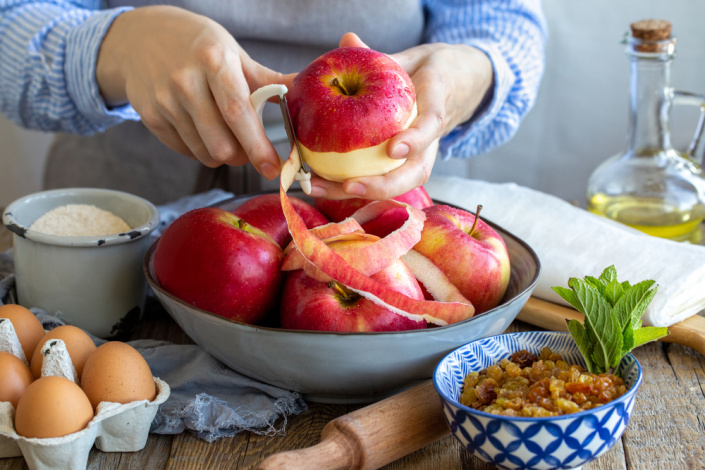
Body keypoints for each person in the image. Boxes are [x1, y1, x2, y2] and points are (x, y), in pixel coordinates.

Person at [0, 1, 547, 204]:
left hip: (380, 211)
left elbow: (502, 24)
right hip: (123, 206)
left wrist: (467, 75)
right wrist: (118, 46)